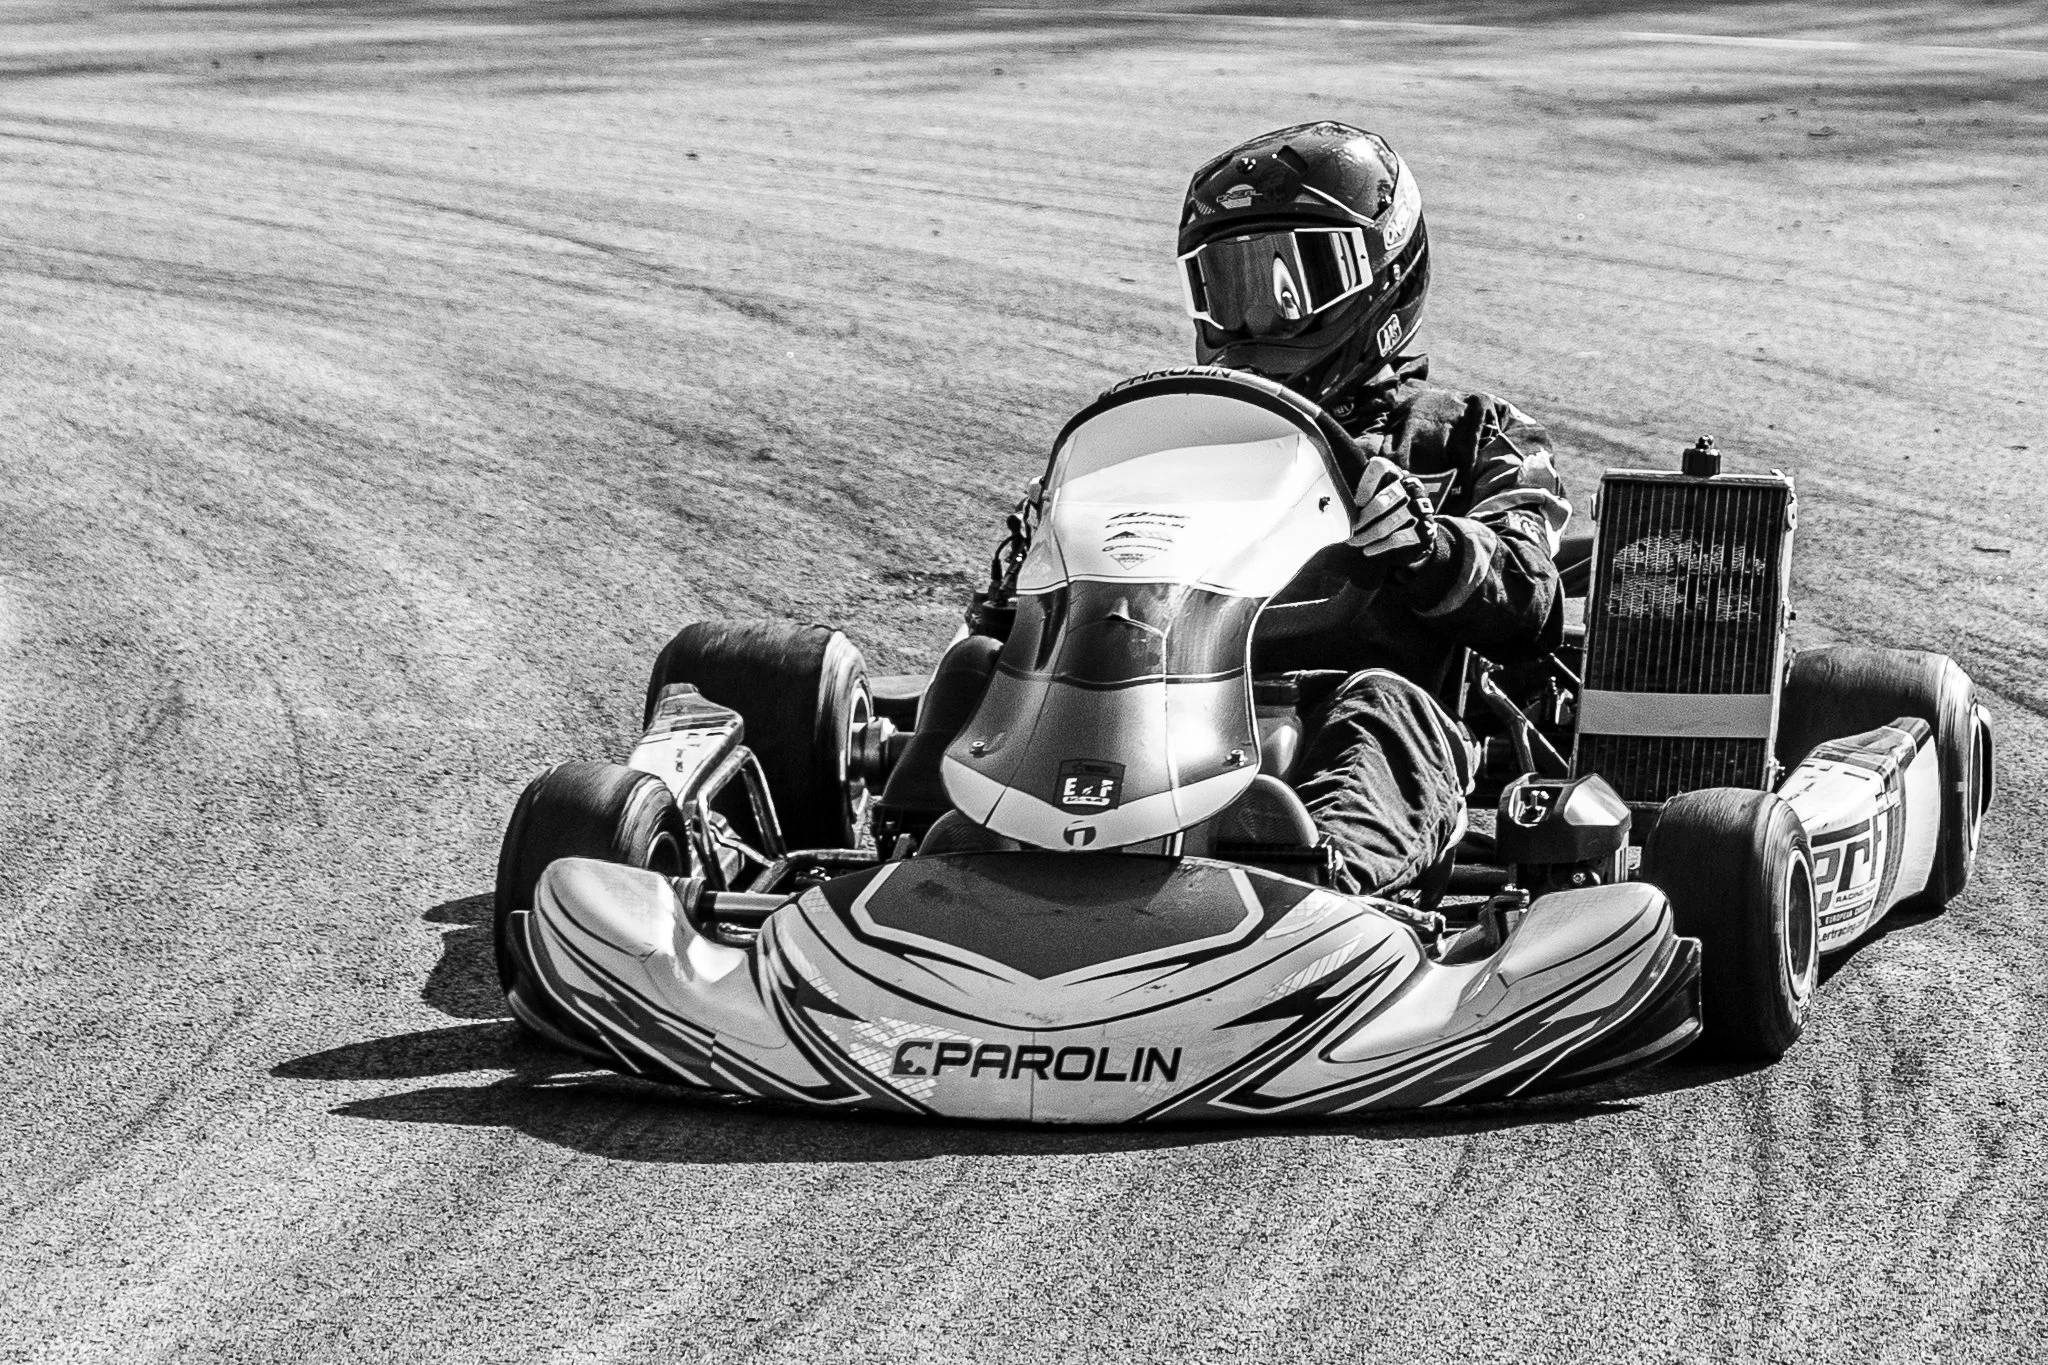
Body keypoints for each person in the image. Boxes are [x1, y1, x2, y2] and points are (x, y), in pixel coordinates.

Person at [1175, 121, 1572, 898]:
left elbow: (1531, 597)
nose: (1263, 319)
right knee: (985, 671)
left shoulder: (1467, 435)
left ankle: (1313, 910)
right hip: (1173, 708)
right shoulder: (1179, 436)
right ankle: (926, 859)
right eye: (1236, 287)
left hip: (1375, 716)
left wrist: (1430, 548)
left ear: (1383, 271)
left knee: (1378, 708)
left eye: (1294, 283)